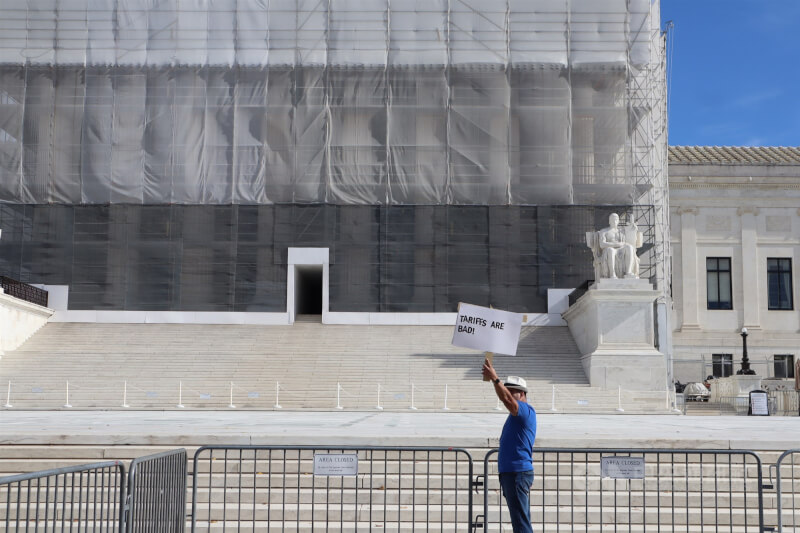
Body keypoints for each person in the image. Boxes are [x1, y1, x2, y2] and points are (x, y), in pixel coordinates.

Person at [483, 357, 537, 533]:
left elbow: (506, 399)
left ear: (522, 394)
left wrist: (495, 378)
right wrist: (494, 382)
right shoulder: (517, 412)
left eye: (512, 390)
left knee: (521, 525)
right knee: (520, 522)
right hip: (513, 473)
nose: (507, 392)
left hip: (517, 474)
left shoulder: (523, 411)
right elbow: (505, 397)